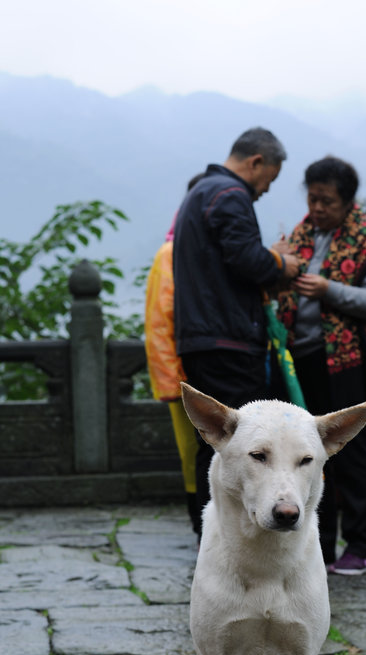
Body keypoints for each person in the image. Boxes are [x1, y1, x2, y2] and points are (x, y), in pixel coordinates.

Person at [173, 127, 300, 519]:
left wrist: (265, 255)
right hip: (227, 339)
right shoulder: (230, 194)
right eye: (270, 179)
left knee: (215, 441)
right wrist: (283, 263)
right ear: (256, 162)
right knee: (244, 442)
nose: (265, 190)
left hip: (201, 337)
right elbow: (246, 261)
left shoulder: (201, 192)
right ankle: (234, 532)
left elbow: (227, 258)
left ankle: (208, 531)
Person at [276, 156, 366, 575]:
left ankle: (361, 548)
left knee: (353, 453)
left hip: (345, 361)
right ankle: (318, 548)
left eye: (327, 201)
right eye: (312, 199)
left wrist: (329, 289)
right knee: (307, 453)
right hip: (299, 359)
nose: (318, 208)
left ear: (347, 202)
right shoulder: (302, 234)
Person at [144, 175, 205, 536]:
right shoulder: (171, 253)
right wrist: (174, 382)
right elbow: (159, 320)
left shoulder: (197, 248)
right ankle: (201, 529)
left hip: (202, 370)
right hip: (184, 374)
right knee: (192, 453)